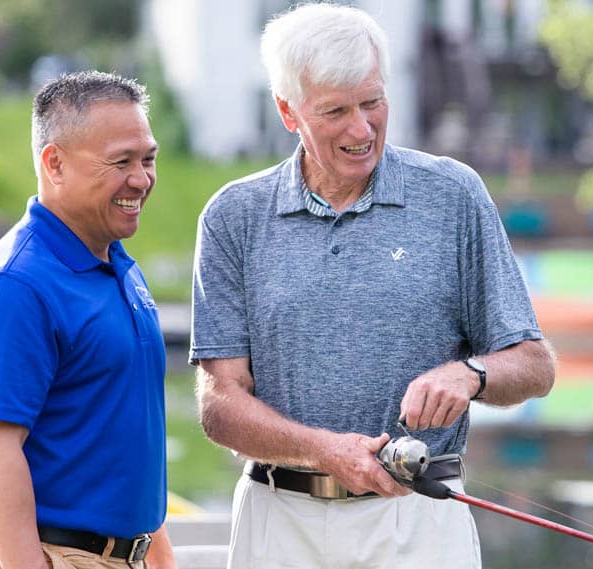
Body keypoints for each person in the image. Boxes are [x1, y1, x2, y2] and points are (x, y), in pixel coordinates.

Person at [189, 4, 556, 568]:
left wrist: (471, 374)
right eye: (335, 110)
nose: (362, 129)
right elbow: (220, 406)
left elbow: (534, 364)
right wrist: (325, 451)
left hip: (419, 522)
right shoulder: (234, 216)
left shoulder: (454, 196)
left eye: (373, 101)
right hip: (279, 525)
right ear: (289, 112)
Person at [0, 71, 175, 569]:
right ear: (54, 164)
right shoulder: (13, 285)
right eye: (121, 161)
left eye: (148, 159)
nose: (141, 179)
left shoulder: (116, 266)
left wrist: (154, 556)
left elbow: (122, 442)